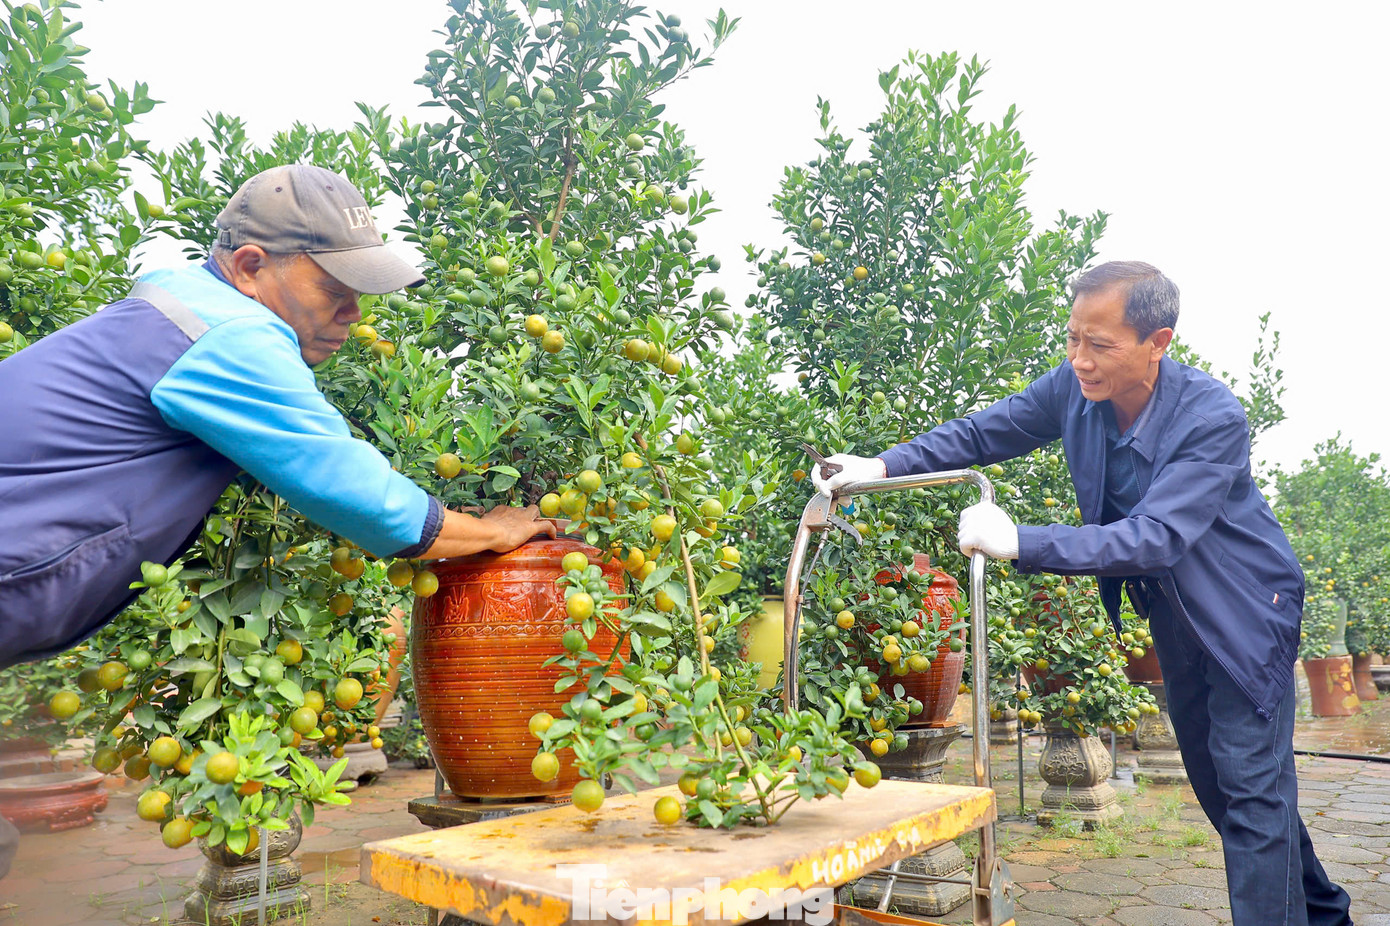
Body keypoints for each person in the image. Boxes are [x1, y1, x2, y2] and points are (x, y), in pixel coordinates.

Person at [0, 164, 553, 876]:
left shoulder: (174, 313)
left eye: (359, 293)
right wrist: (492, 532)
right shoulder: (228, 334)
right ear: (251, 267)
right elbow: (359, 495)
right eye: (334, 288)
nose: (353, 312)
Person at [814, 261, 1352, 926]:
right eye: (1072, 338)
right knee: (1226, 792)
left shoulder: (1210, 415)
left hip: (1246, 614)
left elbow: (1157, 537)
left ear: (1158, 342)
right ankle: (1326, 913)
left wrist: (1023, 540)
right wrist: (882, 464)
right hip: (1177, 617)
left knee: (1249, 791)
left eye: (1100, 344)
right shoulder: (1074, 389)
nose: (1080, 360)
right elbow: (983, 432)